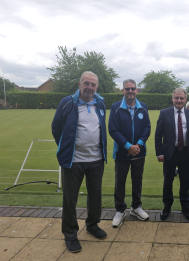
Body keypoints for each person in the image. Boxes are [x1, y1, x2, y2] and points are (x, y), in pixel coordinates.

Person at [52, 71, 107, 253]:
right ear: (79, 84)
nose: (90, 87)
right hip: (73, 160)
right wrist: (66, 148)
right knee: (70, 199)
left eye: (93, 85)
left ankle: (92, 225)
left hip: (97, 159)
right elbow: (56, 128)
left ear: (96, 87)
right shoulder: (67, 102)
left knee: (95, 196)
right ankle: (70, 234)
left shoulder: (100, 102)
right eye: (87, 83)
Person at [108, 79, 151, 227]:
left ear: (137, 90)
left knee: (137, 181)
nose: (130, 91)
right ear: (123, 91)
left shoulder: (143, 107)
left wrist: (138, 145)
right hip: (122, 153)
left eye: (133, 89)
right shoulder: (115, 108)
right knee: (120, 182)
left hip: (139, 152)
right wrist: (128, 146)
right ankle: (120, 210)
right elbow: (113, 130)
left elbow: (147, 128)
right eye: (127, 89)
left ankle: (136, 207)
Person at [155, 88, 189, 221]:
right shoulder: (164, 113)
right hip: (170, 153)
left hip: (186, 152)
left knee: (185, 182)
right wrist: (159, 153)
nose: (179, 100)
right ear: (172, 98)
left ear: (185, 99)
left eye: (181, 98)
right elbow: (158, 135)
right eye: (176, 98)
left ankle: (185, 207)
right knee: (168, 181)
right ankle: (167, 207)